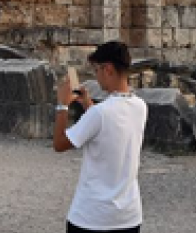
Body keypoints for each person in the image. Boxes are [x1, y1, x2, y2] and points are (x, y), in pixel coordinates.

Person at [53, 40, 148, 233]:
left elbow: (60, 143)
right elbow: (111, 126)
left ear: (108, 69)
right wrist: (88, 105)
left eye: (97, 70)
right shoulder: (140, 106)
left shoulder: (100, 113)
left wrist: (62, 105)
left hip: (92, 217)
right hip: (128, 217)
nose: (96, 76)